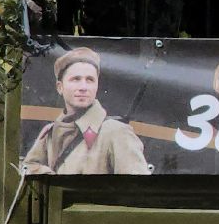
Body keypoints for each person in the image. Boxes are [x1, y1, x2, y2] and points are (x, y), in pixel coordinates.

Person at [22, 48, 152, 175]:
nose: (83, 87)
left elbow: (137, 188)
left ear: (96, 86)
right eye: (76, 79)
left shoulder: (116, 133)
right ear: (60, 87)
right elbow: (29, 166)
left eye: (90, 80)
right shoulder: (51, 133)